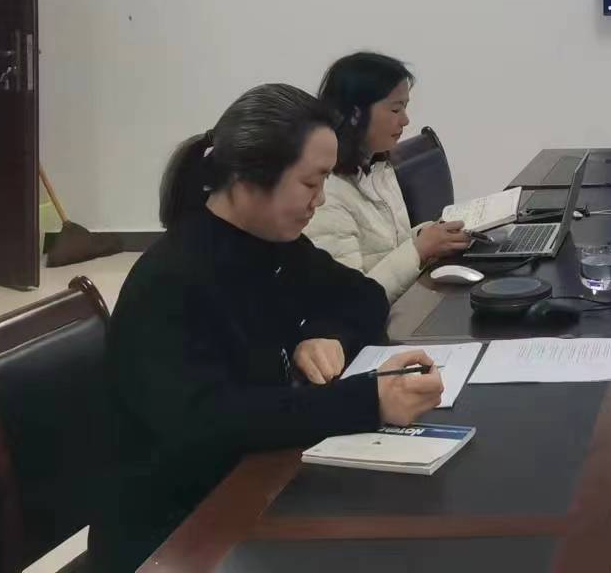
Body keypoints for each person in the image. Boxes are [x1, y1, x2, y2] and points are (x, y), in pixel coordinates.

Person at [92, 85, 446, 573]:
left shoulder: (275, 244)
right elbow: (212, 421)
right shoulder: (171, 280)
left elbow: (361, 295)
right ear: (246, 178)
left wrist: (325, 334)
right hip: (176, 533)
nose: (321, 200)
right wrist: (367, 401)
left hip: (254, 481)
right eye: (311, 183)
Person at [305, 52, 470, 304]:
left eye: (405, 107)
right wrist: (420, 249)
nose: (405, 120)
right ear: (355, 114)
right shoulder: (326, 194)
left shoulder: (377, 166)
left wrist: (431, 233)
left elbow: (389, 248)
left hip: (404, 306)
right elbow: (348, 302)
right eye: (395, 109)